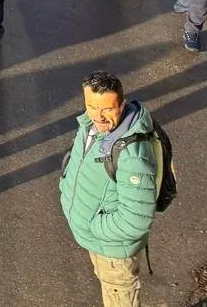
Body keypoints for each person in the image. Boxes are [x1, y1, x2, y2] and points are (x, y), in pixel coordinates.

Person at [58, 71, 161, 307]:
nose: (99, 116)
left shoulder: (133, 155)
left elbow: (136, 221)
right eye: (92, 106)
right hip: (99, 241)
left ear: (122, 105)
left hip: (113, 251)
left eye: (107, 109)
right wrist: (66, 188)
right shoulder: (91, 125)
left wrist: (95, 227)